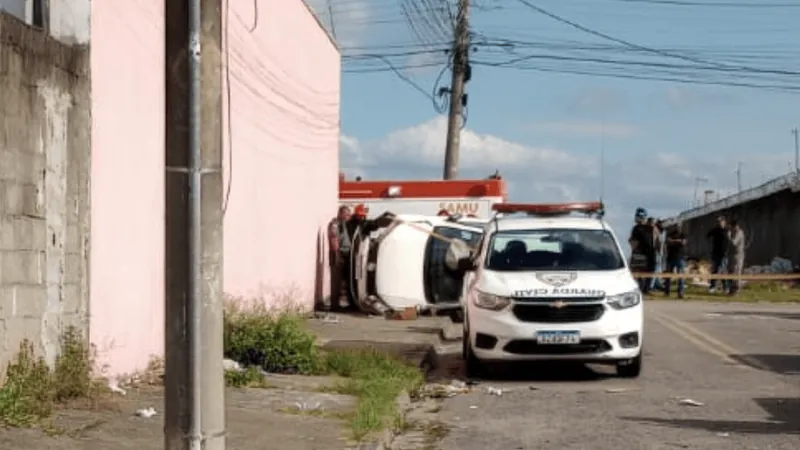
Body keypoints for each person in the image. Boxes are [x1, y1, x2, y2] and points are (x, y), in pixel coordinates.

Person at [327, 205, 352, 311]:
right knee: (336, 281)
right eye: (346, 214)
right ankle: (334, 306)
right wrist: (337, 256)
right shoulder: (335, 225)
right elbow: (334, 240)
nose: (348, 217)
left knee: (342, 281)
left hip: (343, 255)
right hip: (337, 254)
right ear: (341, 213)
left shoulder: (343, 224)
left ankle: (338, 304)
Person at [629, 208, 657, 293]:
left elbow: (633, 242)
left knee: (638, 273)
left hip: (640, 254)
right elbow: (655, 240)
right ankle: (646, 289)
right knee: (649, 273)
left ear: (639, 217)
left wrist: (634, 252)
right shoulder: (652, 228)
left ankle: (642, 289)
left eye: (636, 216)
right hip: (651, 254)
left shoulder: (636, 228)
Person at [664, 223, 687, 299]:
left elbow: (684, 242)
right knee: (668, 276)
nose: (678, 227)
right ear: (675, 227)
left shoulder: (683, 234)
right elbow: (668, 242)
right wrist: (678, 241)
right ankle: (667, 292)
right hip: (670, 258)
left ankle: (680, 293)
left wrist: (674, 241)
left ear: (681, 227)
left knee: (681, 276)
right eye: (677, 226)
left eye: (680, 226)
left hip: (680, 258)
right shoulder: (670, 234)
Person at [706, 216, 729, 293]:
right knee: (715, 270)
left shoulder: (727, 230)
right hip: (715, 253)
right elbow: (708, 235)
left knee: (722, 270)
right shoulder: (715, 230)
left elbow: (729, 240)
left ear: (724, 222)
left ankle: (725, 287)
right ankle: (713, 286)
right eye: (718, 222)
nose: (719, 223)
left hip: (724, 254)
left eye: (721, 222)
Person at [725, 219, 746, 295]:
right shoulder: (733, 232)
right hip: (731, 255)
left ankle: (736, 289)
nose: (730, 228)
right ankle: (731, 289)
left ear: (735, 226)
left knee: (736, 272)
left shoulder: (739, 233)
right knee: (730, 272)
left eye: (731, 227)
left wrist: (729, 236)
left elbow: (734, 243)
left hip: (738, 256)